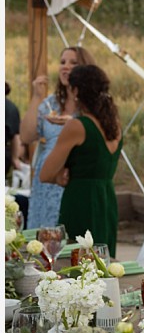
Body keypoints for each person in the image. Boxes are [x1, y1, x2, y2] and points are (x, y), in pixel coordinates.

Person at [38, 64, 122, 257]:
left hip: (81, 201)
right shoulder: (115, 124)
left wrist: (59, 177)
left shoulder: (77, 126)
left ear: (75, 91)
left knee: (78, 265)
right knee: (102, 262)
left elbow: (45, 174)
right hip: (106, 200)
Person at [21, 46, 94, 229]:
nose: (65, 67)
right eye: (62, 62)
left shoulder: (91, 107)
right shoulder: (51, 103)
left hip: (72, 179)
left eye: (73, 63)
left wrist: (75, 124)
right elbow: (27, 135)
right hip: (45, 183)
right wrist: (37, 97)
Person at [5, 82, 23, 179]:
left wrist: (15, 158)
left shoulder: (9, 108)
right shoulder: (11, 108)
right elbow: (15, 136)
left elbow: (15, 136)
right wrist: (15, 158)